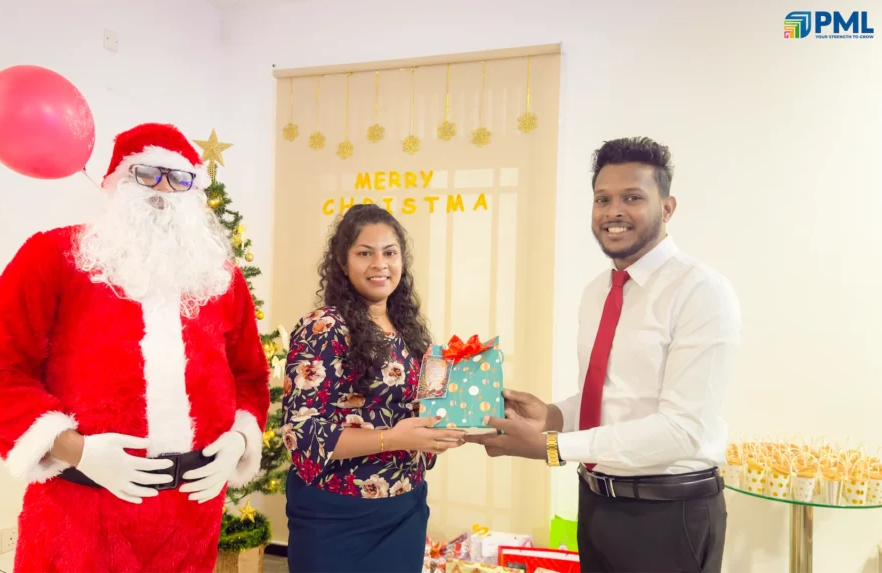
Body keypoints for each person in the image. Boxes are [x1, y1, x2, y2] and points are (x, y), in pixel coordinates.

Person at [0, 123, 271, 573]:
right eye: (148, 173)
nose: (163, 189)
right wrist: (76, 450)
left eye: (178, 178)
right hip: (83, 513)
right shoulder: (53, 256)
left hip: (192, 516)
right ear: (117, 181)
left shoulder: (219, 277)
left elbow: (250, 376)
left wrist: (240, 440)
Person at [468, 137, 741, 573]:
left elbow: (683, 429)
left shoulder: (700, 291)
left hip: (669, 515)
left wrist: (553, 446)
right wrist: (553, 415)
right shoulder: (597, 291)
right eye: (603, 199)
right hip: (596, 503)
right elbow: (617, 398)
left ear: (667, 208)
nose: (614, 211)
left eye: (632, 198)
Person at [281, 204, 465, 573]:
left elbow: (419, 416)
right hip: (337, 519)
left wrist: (441, 432)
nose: (380, 264)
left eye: (390, 252)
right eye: (365, 253)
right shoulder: (324, 327)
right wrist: (394, 439)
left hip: (405, 511)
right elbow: (301, 434)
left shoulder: (410, 331)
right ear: (342, 261)